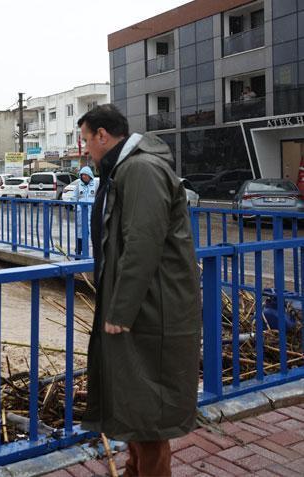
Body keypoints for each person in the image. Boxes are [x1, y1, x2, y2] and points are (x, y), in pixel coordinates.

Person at [77, 104, 200, 476]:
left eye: (86, 140)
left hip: (151, 307)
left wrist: (120, 309)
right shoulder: (125, 168)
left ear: (102, 135)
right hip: (144, 303)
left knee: (148, 409)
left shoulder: (140, 170)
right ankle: (134, 470)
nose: (85, 149)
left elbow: (143, 243)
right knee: (135, 400)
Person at [68, 165, 98, 256]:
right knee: (80, 234)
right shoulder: (78, 185)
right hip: (81, 214)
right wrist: (71, 205)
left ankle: (96, 255)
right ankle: (78, 254)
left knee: (94, 235)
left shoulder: (96, 185)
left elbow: (100, 198)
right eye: (82, 175)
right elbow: (74, 197)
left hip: (92, 214)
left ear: (89, 175)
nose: (83, 176)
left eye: (85, 175)